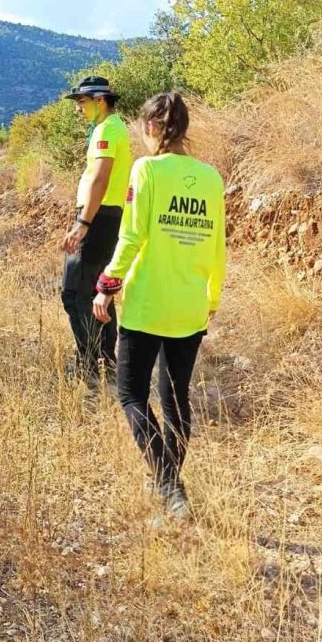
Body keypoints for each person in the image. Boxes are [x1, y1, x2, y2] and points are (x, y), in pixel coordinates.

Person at [93, 91, 225, 519]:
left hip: (148, 304)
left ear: (151, 128)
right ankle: (170, 484)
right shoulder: (210, 178)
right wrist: (212, 298)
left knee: (131, 394)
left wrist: (107, 285)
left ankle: (169, 486)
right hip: (189, 306)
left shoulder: (145, 170)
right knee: (175, 400)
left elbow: (131, 237)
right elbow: (218, 247)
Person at [61, 76, 132, 382]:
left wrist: (83, 223)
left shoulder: (108, 129)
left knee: (75, 292)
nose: (79, 108)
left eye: (82, 101)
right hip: (105, 216)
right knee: (96, 290)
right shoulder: (109, 128)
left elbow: (100, 178)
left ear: (100, 100)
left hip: (99, 218)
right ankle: (106, 361)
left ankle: (89, 367)